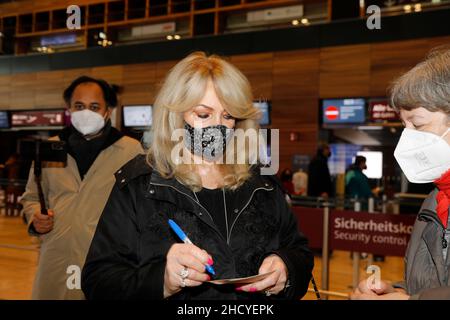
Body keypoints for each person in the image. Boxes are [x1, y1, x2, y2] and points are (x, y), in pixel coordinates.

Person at [81, 52, 314, 300]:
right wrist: (161, 280)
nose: (218, 126)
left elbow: (299, 251)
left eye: (228, 116)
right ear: (176, 115)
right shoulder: (140, 185)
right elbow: (98, 280)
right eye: (203, 114)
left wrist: (286, 268)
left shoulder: (262, 184)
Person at [20, 76, 144, 299]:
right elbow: (30, 197)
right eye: (79, 106)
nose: (86, 112)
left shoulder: (130, 151)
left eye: (94, 107)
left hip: (106, 259)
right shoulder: (49, 148)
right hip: (56, 257)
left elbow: (143, 205)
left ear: (108, 111)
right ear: (69, 109)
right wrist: (35, 217)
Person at [351, 48, 450, 300]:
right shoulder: (435, 199)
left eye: (417, 124)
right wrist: (396, 291)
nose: (409, 138)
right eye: (404, 126)